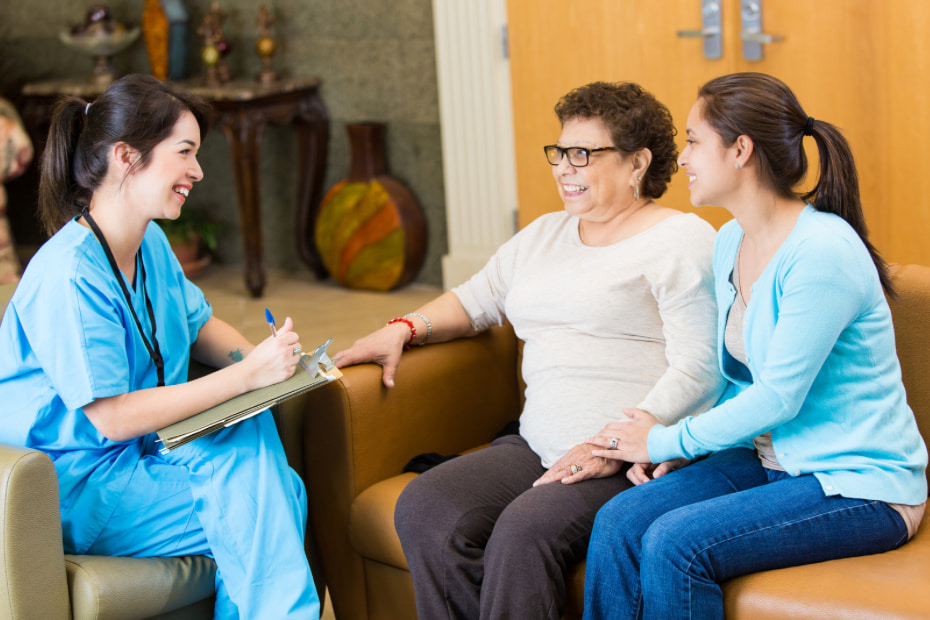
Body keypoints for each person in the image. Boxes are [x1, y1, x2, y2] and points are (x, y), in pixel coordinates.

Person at [332, 81, 725, 620]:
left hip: (627, 461)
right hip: (537, 444)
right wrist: (405, 327)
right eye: (559, 153)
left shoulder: (681, 240)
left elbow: (701, 366)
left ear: (637, 162)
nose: (564, 168)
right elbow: (475, 301)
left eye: (583, 155)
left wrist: (611, 444)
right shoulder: (544, 235)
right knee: (428, 508)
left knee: (525, 530)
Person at [582, 72, 929, 620]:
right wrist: (691, 448)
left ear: (740, 149)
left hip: (859, 484)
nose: (685, 157)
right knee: (620, 521)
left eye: (695, 140)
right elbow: (739, 380)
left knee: (676, 543)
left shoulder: (821, 252)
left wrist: (670, 439)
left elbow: (778, 398)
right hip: (771, 460)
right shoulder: (730, 241)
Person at [0, 74, 320, 619]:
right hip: (77, 484)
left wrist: (267, 360)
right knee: (268, 499)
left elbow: (197, 324)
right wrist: (245, 377)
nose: (197, 171)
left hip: (146, 453)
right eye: (185, 152)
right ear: (127, 157)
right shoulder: (69, 274)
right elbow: (111, 419)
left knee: (258, 451)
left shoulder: (149, 241)